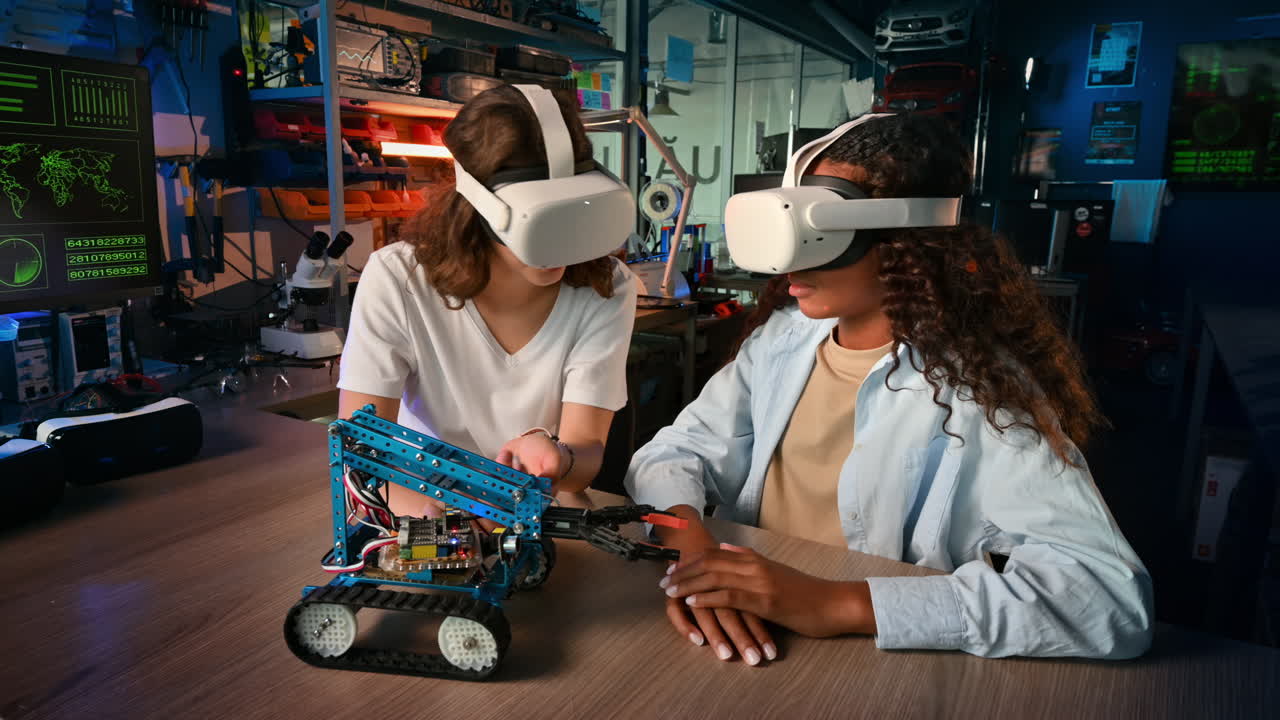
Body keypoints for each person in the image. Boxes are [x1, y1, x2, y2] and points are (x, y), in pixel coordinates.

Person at [624, 113, 1152, 667]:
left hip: (873, 654)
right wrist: (692, 551)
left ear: (908, 242)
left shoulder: (978, 389)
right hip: (743, 613)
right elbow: (673, 453)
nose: (792, 258)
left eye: (820, 235)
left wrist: (836, 603)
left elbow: (1108, 599)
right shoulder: (781, 341)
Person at [339, 85, 637, 517]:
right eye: (540, 221)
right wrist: (455, 522)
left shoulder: (606, 286)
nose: (560, 246)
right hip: (422, 510)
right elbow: (361, 453)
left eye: (570, 216)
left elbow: (584, 458)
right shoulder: (399, 278)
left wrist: (559, 459)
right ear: (479, 203)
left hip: (538, 510)